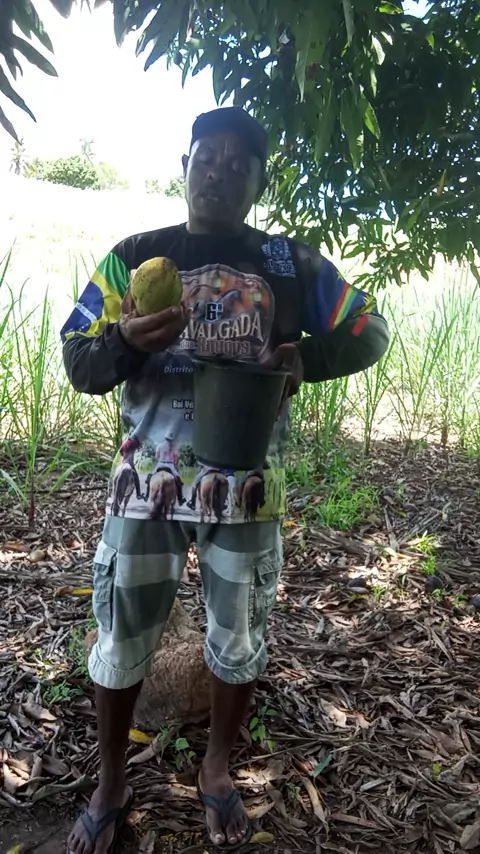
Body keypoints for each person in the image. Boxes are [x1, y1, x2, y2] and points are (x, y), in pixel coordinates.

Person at [60, 106, 389, 854]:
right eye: (207, 158)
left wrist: (308, 359)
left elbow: (369, 328)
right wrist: (123, 341)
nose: (219, 173)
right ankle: (111, 782)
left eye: (238, 165)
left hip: (247, 491)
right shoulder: (135, 256)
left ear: (258, 182)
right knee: (120, 636)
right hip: (144, 488)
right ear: (185, 166)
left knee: (238, 638)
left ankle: (215, 767)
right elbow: (77, 355)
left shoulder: (287, 264)